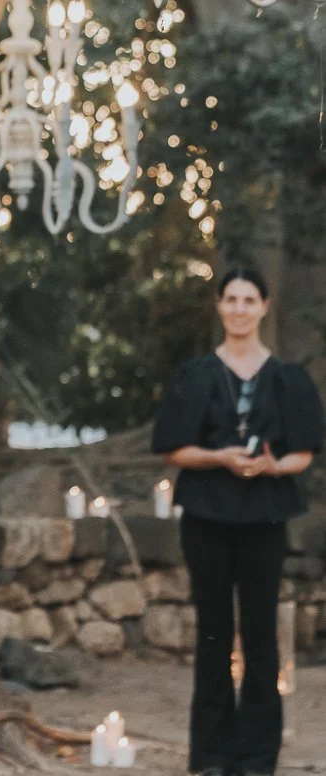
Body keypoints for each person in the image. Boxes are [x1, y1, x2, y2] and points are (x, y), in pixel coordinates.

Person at [153, 268, 324, 776]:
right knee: (212, 631)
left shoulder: (288, 379)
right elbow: (174, 451)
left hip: (264, 518)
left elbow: (303, 455)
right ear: (219, 305)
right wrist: (219, 458)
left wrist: (273, 467)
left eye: (250, 299)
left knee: (259, 634)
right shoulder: (195, 375)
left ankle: (255, 755)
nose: (240, 308)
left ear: (264, 307)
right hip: (207, 517)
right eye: (232, 299)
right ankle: (210, 754)